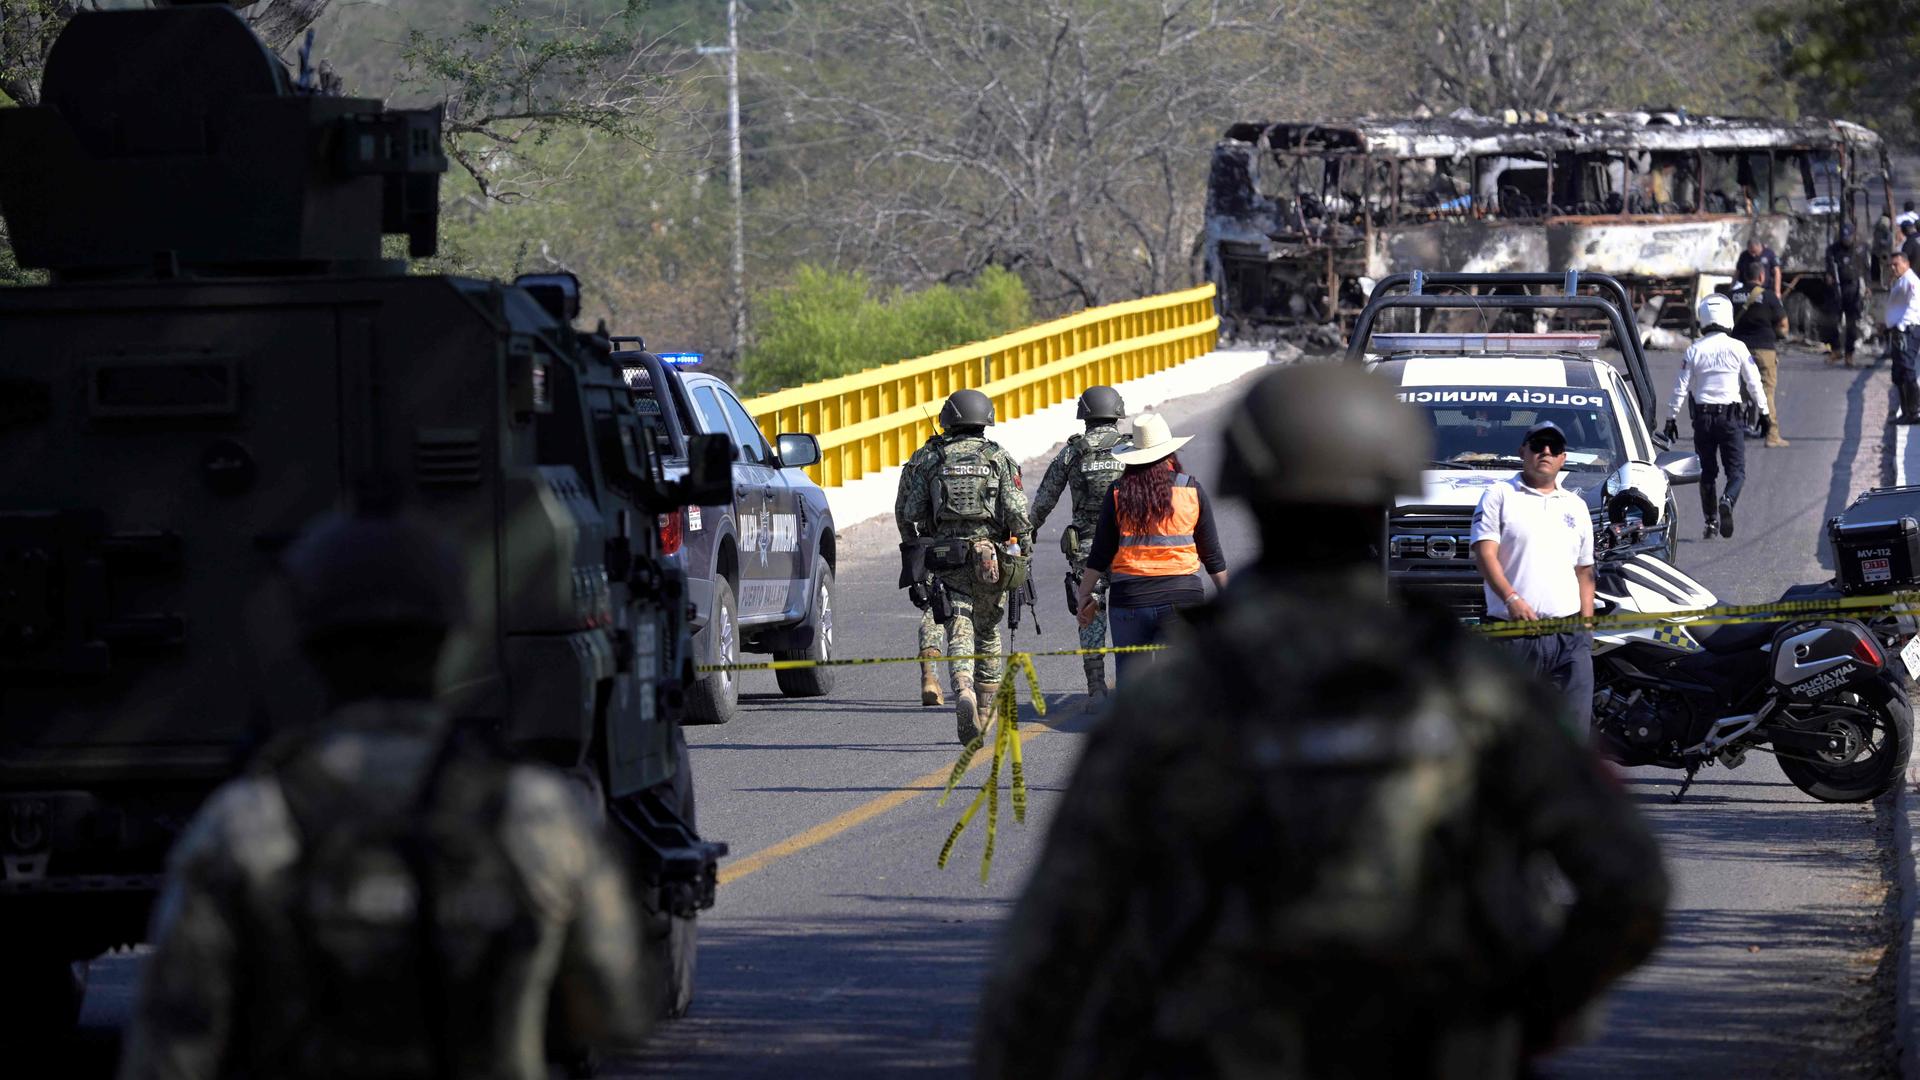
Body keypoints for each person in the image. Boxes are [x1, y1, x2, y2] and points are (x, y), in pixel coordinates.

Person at [976, 364, 1669, 1080]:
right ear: (1388, 494)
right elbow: (1631, 885)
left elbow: (1050, 954)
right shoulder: (1477, 689)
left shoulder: (1174, 702)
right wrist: (1521, 1013)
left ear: (1250, 493)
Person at [119, 505, 645, 1080]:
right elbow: (613, 1009)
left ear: (312, 647)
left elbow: (168, 1051)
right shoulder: (532, 813)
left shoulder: (246, 824)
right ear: (447, 638)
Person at [897, 388, 1034, 743]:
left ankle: (963, 690)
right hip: (990, 559)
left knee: (958, 624)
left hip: (946, 558)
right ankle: (987, 710)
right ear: (984, 419)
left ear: (948, 419)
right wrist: (1025, 555)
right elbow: (1018, 514)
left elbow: (910, 511)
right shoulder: (998, 457)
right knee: (988, 630)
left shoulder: (930, 457)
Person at [1075, 412, 1228, 686]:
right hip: (1183, 599)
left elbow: (1100, 553)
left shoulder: (1118, 493)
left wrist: (1084, 594)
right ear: (1169, 452)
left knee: (1133, 685)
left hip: (1130, 601)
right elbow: (1212, 555)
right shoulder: (1190, 489)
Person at [1470, 420, 1598, 733]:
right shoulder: (1499, 495)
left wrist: (1587, 624)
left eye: (1554, 448)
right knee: (1510, 734)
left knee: (1574, 735)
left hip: (1569, 639)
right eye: (1538, 445)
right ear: (1522, 452)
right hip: (1513, 635)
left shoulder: (1577, 506)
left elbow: (1584, 570)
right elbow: (1484, 555)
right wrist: (1511, 598)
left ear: (1563, 458)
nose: (1546, 452)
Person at [1030, 385, 1129, 704]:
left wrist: (1028, 530)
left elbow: (1045, 497)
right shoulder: (1130, 448)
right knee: (1130, 613)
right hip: (1128, 548)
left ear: (1084, 415)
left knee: (1090, 611)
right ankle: (1132, 684)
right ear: (1117, 413)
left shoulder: (1073, 452)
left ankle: (1096, 687)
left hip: (1087, 549)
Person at [1664, 293, 1770, 539]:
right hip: (1730, 419)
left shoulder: (1694, 350)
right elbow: (1754, 383)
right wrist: (1764, 413)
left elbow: (1681, 387)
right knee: (1737, 472)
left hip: (1702, 419)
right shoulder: (1738, 348)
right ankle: (1728, 500)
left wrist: (1671, 419)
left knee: (1707, 472)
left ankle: (1711, 522)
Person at [1729, 264, 1791, 448]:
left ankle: (1734, 431)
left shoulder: (1732, 296)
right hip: (1764, 349)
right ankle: (1772, 435)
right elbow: (1783, 326)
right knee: (1767, 392)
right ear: (1762, 277)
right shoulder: (1769, 296)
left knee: (1738, 392)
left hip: (1738, 350)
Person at [1826, 222, 1867, 366]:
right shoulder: (1833, 250)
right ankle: (1836, 350)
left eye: (1848, 236)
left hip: (1853, 289)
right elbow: (1829, 268)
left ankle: (1849, 354)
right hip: (1837, 289)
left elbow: (1865, 269)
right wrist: (1829, 276)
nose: (1846, 239)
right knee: (1832, 321)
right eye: (1844, 237)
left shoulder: (1859, 249)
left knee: (1852, 324)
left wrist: (1866, 287)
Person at [1887, 250, 1920, 425]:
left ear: (1906, 264)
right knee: (1898, 372)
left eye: (1896, 264)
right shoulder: (1900, 281)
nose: (1893, 268)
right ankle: (1907, 411)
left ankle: (1914, 411)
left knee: (1907, 369)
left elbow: (1914, 306)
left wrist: (1901, 326)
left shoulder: (1910, 281)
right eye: (1891, 265)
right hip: (1899, 330)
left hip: (1908, 330)